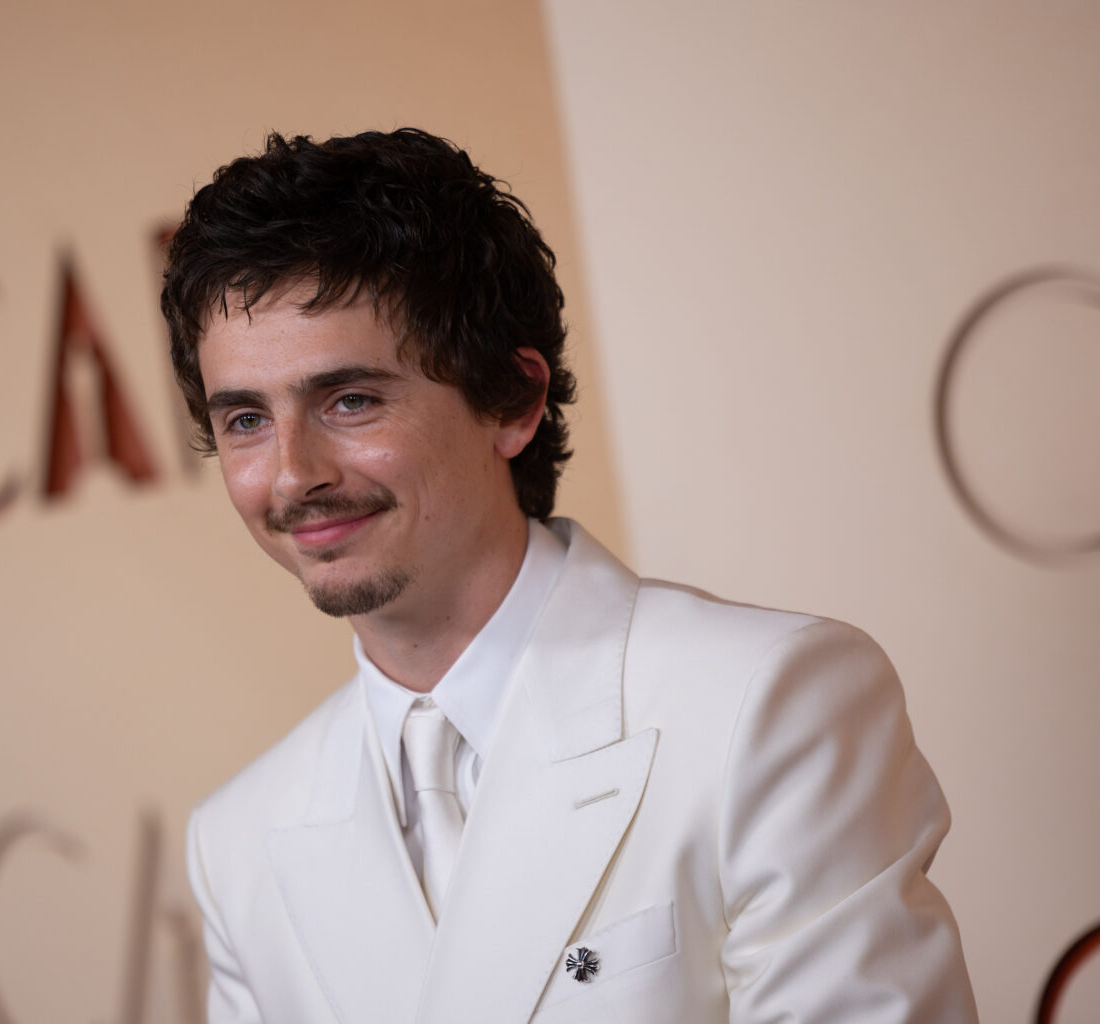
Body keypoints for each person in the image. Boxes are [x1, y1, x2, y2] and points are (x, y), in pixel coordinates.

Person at [160, 128, 977, 1023]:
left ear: (513, 401)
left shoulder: (768, 702)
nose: (290, 474)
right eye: (244, 419)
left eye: (350, 400)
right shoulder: (236, 842)